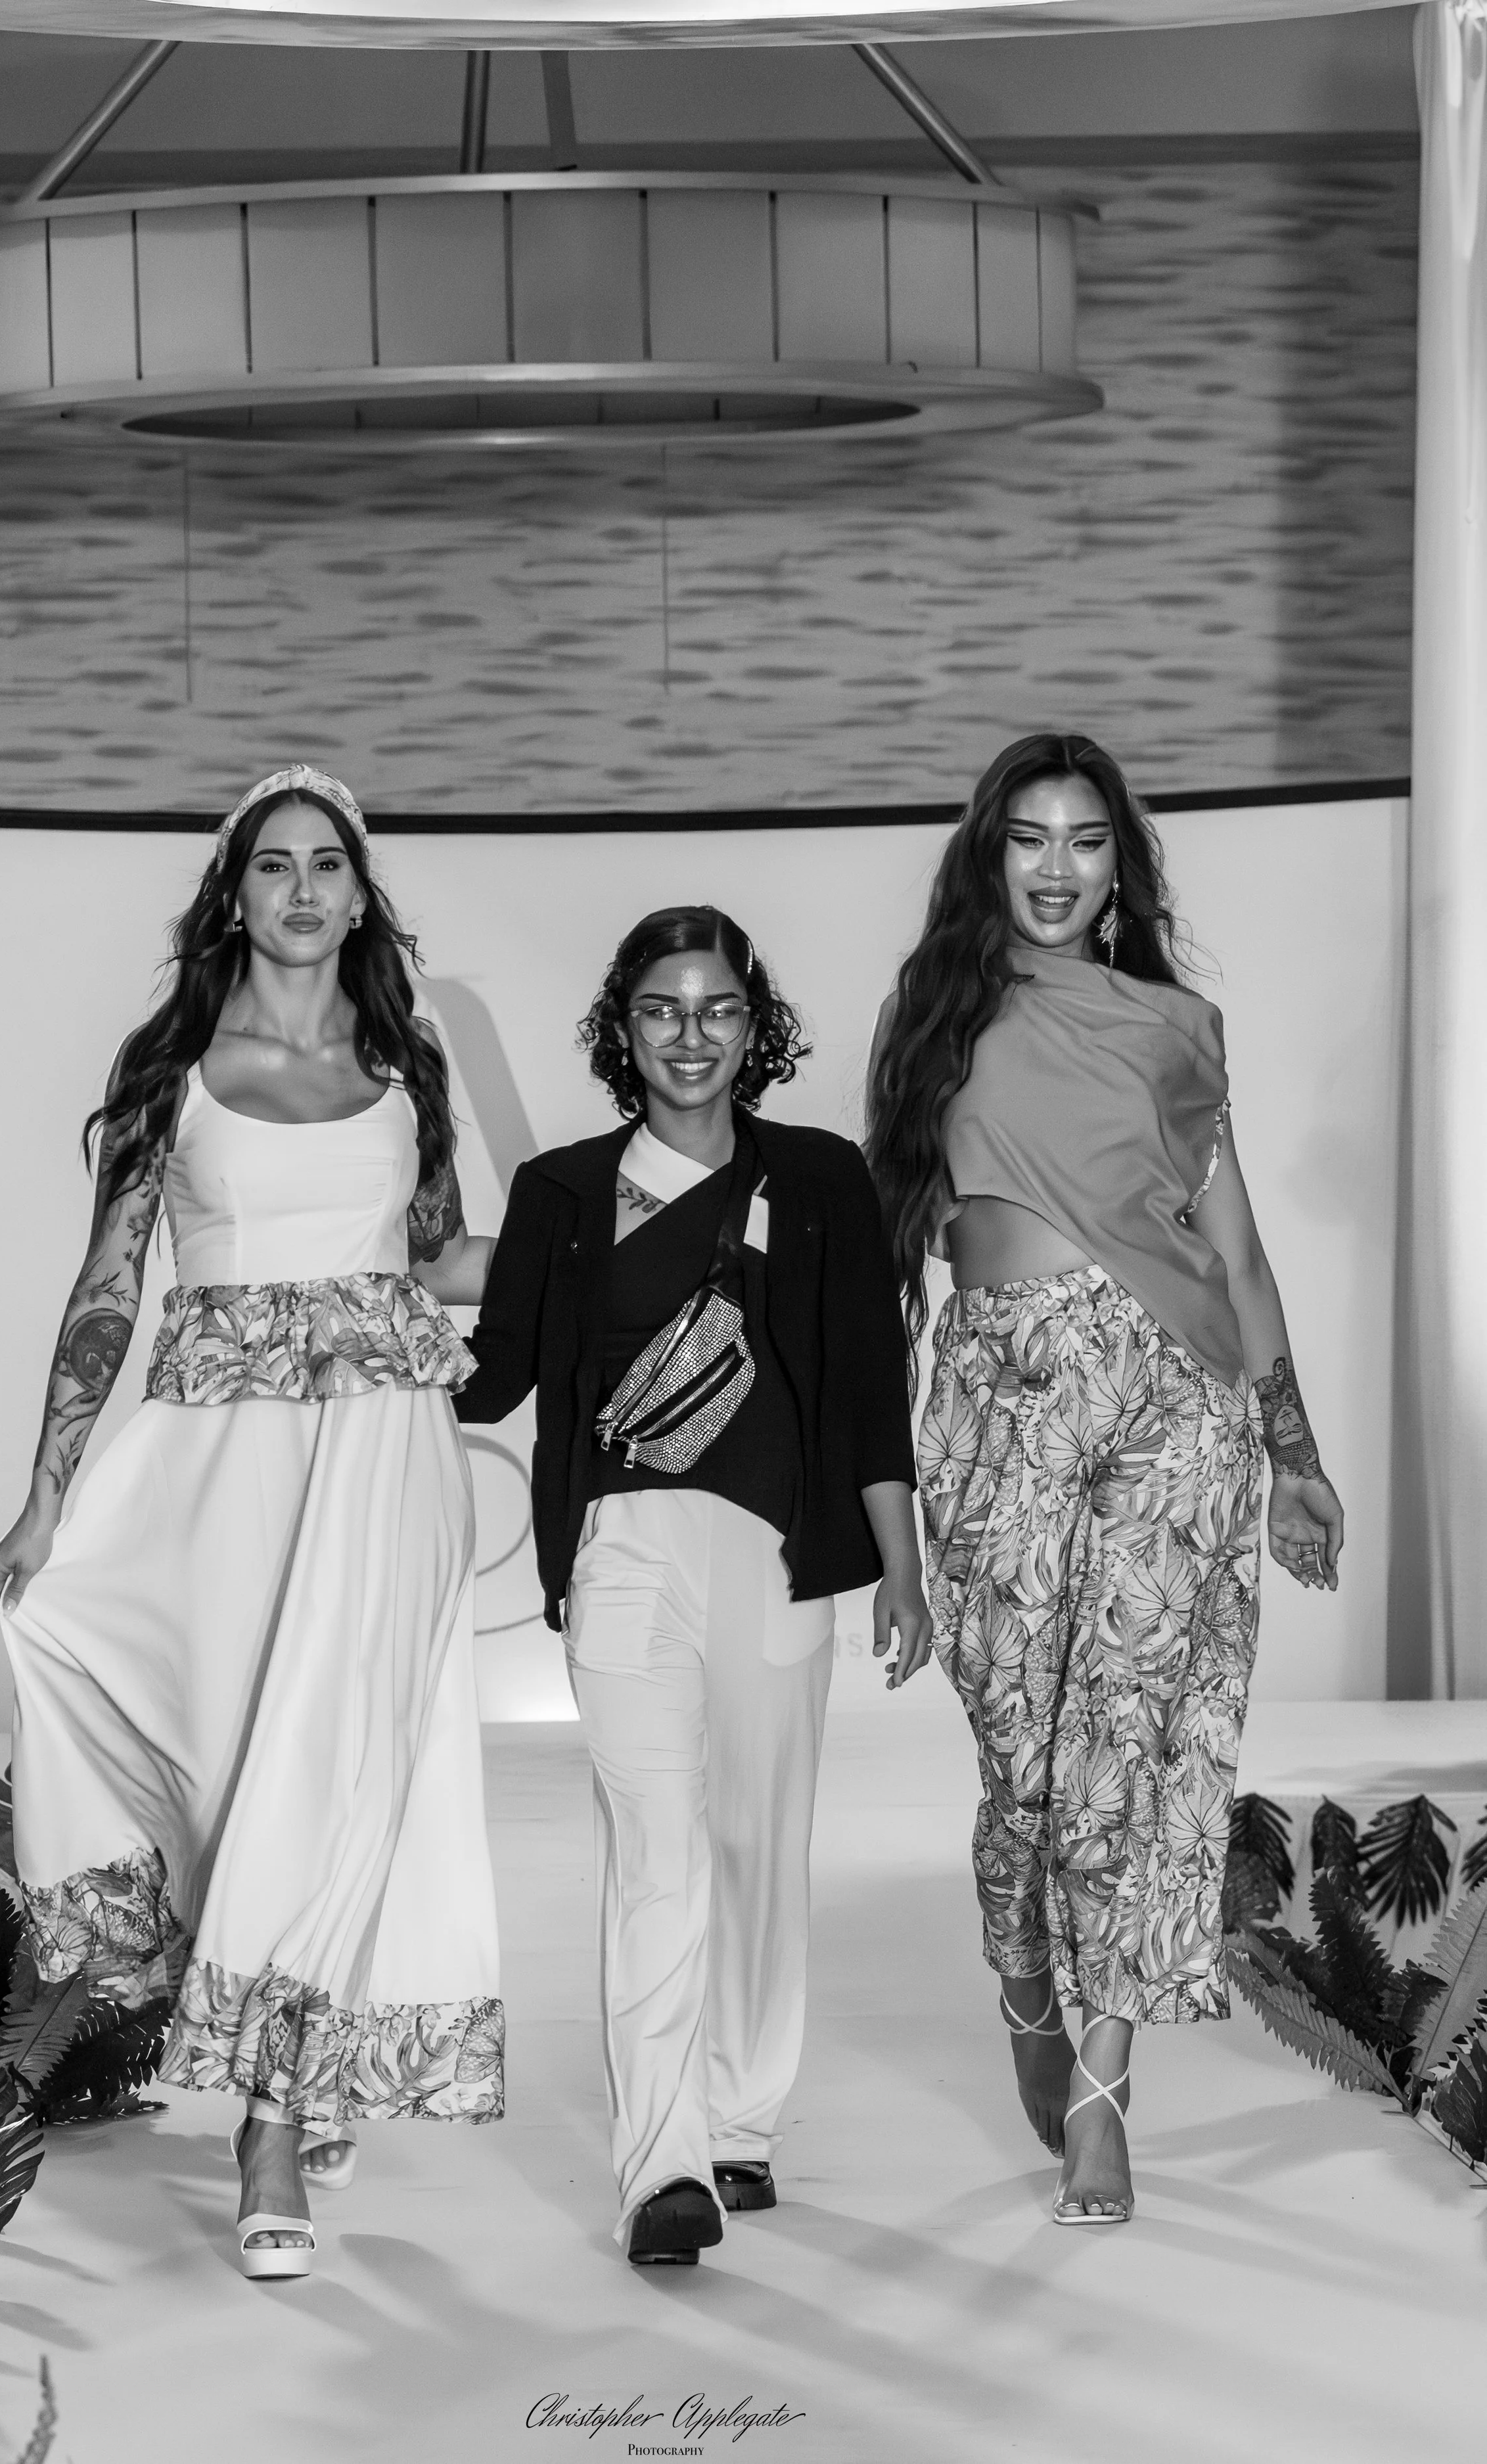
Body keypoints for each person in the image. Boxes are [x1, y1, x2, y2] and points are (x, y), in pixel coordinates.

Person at [0, 765, 502, 2282]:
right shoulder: (177, 1073)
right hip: (218, 1469)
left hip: (379, 1461)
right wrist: (43, 1496)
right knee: (232, 1757)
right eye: (268, 865)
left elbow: (440, 1258)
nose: (296, 888)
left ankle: (271, 2124)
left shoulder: (406, 1071)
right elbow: (104, 1293)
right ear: (235, 894)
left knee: (341, 1760)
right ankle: (297, 2021)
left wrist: (615, 1222)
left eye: (322, 864)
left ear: (357, 893)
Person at [864, 733, 1344, 2227]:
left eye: (1086, 842)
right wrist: (876, 1496)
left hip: (1167, 1396)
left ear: (1119, 865)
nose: (1058, 869)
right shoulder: (934, 1017)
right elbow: (894, 1265)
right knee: (1022, 1757)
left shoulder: (1172, 1027)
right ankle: (1025, 1983)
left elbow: (1240, 1255)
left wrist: (1291, 1450)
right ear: (987, 854)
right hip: (999, 1400)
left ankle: (1100, 2095)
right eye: (1029, 838)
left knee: (1125, 1757)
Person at [457, 906, 930, 2265]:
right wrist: (366, 1298)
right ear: (623, 1029)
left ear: (753, 1027)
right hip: (619, 1555)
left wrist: (898, 1563)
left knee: (758, 1846)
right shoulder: (559, 1193)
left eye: (716, 1009)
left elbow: (862, 1388)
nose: (688, 1036)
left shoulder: (821, 1177)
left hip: (778, 1556)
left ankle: (741, 2119)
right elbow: (493, 1376)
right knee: (653, 1856)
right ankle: (664, 2165)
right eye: (660, 1010)